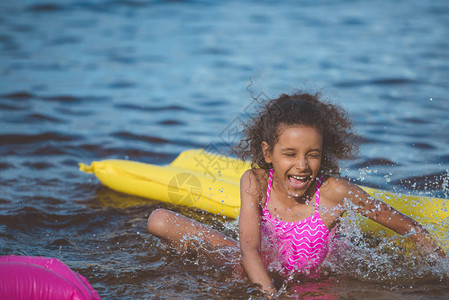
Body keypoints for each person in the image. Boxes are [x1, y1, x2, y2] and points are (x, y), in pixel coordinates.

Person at [147, 91, 445, 296]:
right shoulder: (254, 182)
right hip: (259, 263)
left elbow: (404, 224)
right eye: (290, 154)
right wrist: (269, 295)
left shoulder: (333, 192)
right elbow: (249, 250)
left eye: (312, 154)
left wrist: (439, 262)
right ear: (268, 152)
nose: (302, 166)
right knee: (158, 219)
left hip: (313, 280)